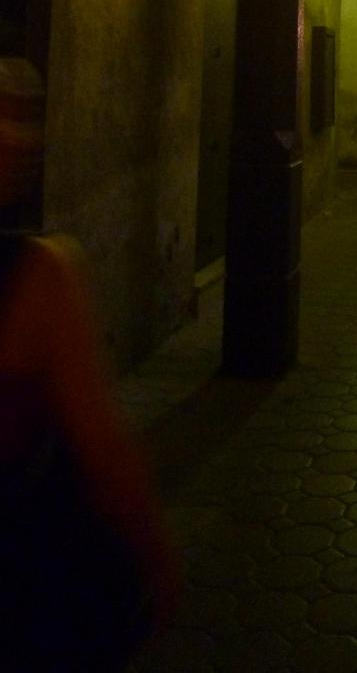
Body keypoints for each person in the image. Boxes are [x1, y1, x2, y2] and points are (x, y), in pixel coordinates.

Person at [0, 57, 177, 670]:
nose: (22, 141)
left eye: (27, 119)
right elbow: (103, 449)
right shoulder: (41, 277)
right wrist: (154, 555)